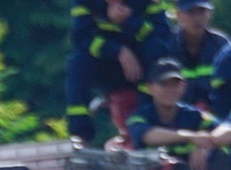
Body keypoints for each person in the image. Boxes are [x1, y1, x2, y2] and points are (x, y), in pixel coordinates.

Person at [64, 0, 173, 144]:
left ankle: (146, 124)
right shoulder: (85, 2)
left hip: (142, 71)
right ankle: (80, 134)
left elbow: (162, 40)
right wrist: (117, 51)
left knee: (155, 53)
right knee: (77, 62)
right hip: (107, 68)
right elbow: (82, 39)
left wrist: (129, 22)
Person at [127, 59, 219, 170]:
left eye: (175, 84)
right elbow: (147, 136)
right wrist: (191, 137)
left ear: (184, 87)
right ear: (150, 88)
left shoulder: (196, 115)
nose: (170, 90)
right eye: (164, 84)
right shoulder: (138, 117)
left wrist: (205, 148)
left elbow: (221, 131)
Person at [169, 0, 231, 109]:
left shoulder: (221, 44)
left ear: (210, 14)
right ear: (178, 15)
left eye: (202, 12)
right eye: (190, 12)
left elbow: (229, 86)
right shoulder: (167, 45)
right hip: (176, 114)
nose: (197, 18)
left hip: (216, 113)